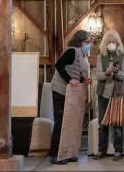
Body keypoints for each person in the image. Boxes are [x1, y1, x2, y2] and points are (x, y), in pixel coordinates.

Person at [49, 30, 92, 165]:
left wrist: (83, 80)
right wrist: (69, 80)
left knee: (71, 123)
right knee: (61, 122)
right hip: (60, 90)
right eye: (87, 42)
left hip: (71, 92)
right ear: (80, 41)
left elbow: (76, 71)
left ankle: (68, 153)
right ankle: (55, 154)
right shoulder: (72, 51)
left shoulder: (82, 54)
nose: (89, 44)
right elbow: (59, 65)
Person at [94, 30, 124, 161]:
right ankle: (101, 150)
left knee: (117, 124)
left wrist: (117, 71)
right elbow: (98, 75)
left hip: (118, 93)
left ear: (118, 43)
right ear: (105, 44)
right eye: (109, 42)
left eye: (113, 42)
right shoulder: (100, 57)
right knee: (102, 123)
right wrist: (107, 73)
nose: (111, 44)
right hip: (103, 94)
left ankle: (118, 151)